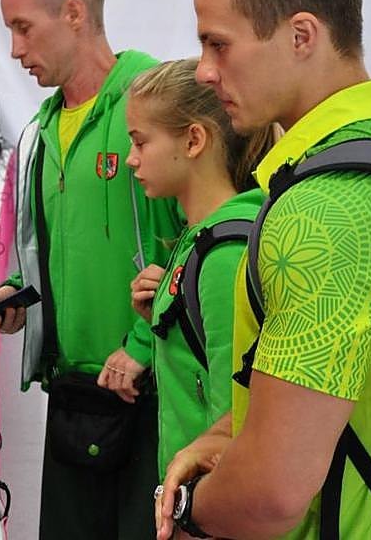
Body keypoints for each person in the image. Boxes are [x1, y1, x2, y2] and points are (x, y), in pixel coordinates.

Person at [155, 0, 371, 539]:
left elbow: (270, 496)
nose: (204, 70)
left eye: (218, 44)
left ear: (301, 35)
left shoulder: (327, 210)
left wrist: (185, 511)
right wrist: (227, 433)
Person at [0, 0, 182, 539]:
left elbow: (198, 240)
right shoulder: (40, 131)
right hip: (71, 392)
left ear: (73, 13)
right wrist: (20, 292)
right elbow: (47, 248)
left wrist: (142, 344)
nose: (15, 49)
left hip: (146, 390)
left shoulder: (153, 104)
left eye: (23, 28)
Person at [119, 59, 274, 480]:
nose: (131, 160)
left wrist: (198, 504)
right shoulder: (200, 239)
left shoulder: (223, 255)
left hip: (207, 496)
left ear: (193, 140)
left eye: (140, 142)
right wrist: (169, 321)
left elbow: (231, 427)